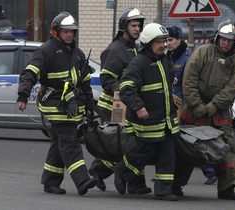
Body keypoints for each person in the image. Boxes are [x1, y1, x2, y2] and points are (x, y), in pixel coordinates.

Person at [16, 12, 97, 196]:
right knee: (70, 142)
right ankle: (82, 180)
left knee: (58, 143)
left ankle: (51, 181)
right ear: (56, 31)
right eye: (66, 31)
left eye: (72, 32)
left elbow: (84, 83)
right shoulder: (46, 50)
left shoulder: (77, 53)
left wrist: (90, 107)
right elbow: (30, 73)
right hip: (55, 104)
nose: (70, 35)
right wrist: (23, 95)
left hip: (72, 105)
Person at [174, 19, 235, 200]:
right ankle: (175, 185)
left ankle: (227, 188)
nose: (226, 43)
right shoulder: (202, 52)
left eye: (230, 40)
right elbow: (189, 80)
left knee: (227, 149)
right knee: (187, 148)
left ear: (234, 41)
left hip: (219, 112)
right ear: (217, 37)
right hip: (193, 110)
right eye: (223, 38)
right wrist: (196, 105)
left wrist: (214, 106)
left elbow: (233, 88)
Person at [113, 23, 180, 201]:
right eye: (159, 41)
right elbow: (126, 89)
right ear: (148, 43)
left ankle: (163, 190)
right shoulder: (139, 63)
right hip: (148, 121)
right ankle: (122, 170)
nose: (163, 45)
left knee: (168, 154)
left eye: (164, 41)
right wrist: (138, 106)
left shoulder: (164, 61)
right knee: (145, 153)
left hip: (165, 120)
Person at [88, 8, 151, 194]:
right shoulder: (114, 50)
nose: (137, 29)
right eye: (133, 25)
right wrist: (125, 93)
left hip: (129, 105)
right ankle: (99, 171)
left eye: (139, 25)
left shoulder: (135, 48)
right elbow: (107, 80)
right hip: (113, 107)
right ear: (124, 26)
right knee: (121, 146)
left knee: (132, 142)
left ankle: (135, 183)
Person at [165, 25, 217, 187]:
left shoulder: (186, 58)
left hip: (184, 108)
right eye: (166, 40)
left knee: (189, 143)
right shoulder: (169, 57)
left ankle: (210, 172)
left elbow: (189, 84)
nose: (168, 43)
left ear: (180, 40)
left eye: (171, 40)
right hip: (170, 106)